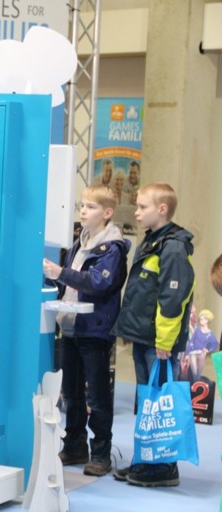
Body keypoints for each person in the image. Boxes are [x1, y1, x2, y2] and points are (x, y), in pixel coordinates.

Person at [111, 182, 195, 487]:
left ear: (161, 209)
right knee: (148, 402)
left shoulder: (173, 247)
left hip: (159, 343)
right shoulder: (152, 241)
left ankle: (164, 467)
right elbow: (141, 293)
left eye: (142, 206)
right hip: (144, 337)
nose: (136, 212)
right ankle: (146, 460)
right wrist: (130, 329)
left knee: (161, 404)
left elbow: (173, 299)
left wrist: (164, 341)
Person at [42, 185, 129, 477]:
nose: (83, 210)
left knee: (98, 396)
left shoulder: (112, 248)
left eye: (91, 207)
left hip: (94, 330)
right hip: (70, 327)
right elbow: (71, 283)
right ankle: (75, 444)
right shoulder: (80, 243)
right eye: (82, 205)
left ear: (107, 213)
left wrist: (61, 273)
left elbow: (98, 283)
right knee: (71, 393)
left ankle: (101, 452)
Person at [182, 309, 218, 382]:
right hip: (193, 353)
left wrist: (208, 349)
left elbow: (215, 343)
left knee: (198, 374)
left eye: (203, 318)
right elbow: (191, 341)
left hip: (202, 354)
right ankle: (195, 386)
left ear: (208, 320)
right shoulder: (197, 330)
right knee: (194, 372)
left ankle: (197, 386)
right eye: (201, 318)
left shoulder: (210, 333)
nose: (201, 320)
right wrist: (187, 354)